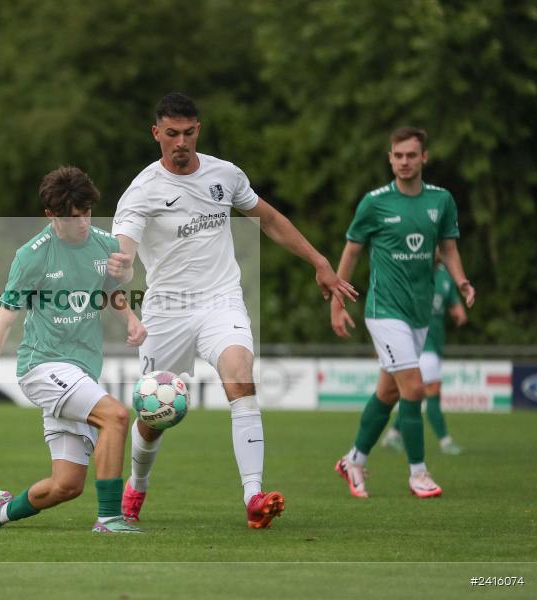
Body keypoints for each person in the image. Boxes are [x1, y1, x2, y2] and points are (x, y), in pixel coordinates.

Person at [108, 93, 357, 529]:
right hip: (167, 311)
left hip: (220, 299)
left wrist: (319, 261)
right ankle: (137, 485)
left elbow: (271, 220)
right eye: (171, 134)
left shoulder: (226, 175)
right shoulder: (141, 192)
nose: (180, 142)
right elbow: (124, 250)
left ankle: (254, 497)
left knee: (240, 376)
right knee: (153, 417)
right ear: (156, 135)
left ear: (197, 130)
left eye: (188, 133)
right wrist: (121, 263)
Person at [0, 166, 146, 533]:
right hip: (42, 367)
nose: (82, 223)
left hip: (81, 370)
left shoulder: (105, 244)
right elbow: (4, 321)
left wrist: (130, 317)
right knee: (117, 416)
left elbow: (110, 287)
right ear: (50, 215)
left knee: (67, 486)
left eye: (87, 214)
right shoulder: (32, 255)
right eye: (72, 218)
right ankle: (110, 518)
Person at [331, 126, 475, 499]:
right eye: (398, 156)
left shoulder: (441, 201)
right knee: (414, 387)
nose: (405, 162)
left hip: (419, 313)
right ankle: (418, 474)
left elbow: (449, 248)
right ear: (390, 158)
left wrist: (461, 282)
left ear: (424, 157)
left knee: (389, 392)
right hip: (384, 310)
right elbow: (351, 251)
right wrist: (337, 302)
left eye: (412, 155)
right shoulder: (375, 202)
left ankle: (353, 460)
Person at [381, 253, 468, 455]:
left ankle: (394, 434)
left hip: (435, 345)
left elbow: (455, 306)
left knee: (416, 393)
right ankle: (445, 441)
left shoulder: (445, 276)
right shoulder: (412, 271)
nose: (440, 248)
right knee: (431, 390)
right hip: (419, 344)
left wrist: (458, 311)